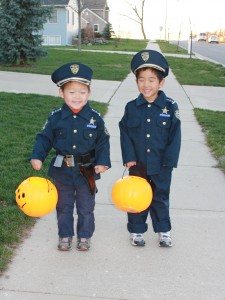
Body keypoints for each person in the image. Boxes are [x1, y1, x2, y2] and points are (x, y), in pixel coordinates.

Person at [30, 62, 111, 251]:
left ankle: (84, 236)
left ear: (89, 94)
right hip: (62, 172)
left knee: (86, 207)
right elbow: (44, 138)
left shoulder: (95, 118)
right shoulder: (55, 117)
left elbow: (103, 142)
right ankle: (65, 235)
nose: (77, 97)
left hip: (87, 171)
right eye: (71, 92)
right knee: (63, 206)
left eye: (82, 92)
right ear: (61, 93)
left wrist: (103, 162)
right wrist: (37, 156)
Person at [119, 50, 181, 247]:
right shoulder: (131, 107)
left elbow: (175, 136)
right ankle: (137, 231)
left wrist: (169, 162)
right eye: (141, 79)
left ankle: (164, 231)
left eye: (152, 80)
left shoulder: (170, 107)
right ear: (136, 82)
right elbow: (125, 132)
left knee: (160, 197)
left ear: (161, 83)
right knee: (136, 198)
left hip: (161, 164)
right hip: (137, 164)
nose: (146, 84)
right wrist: (128, 156)